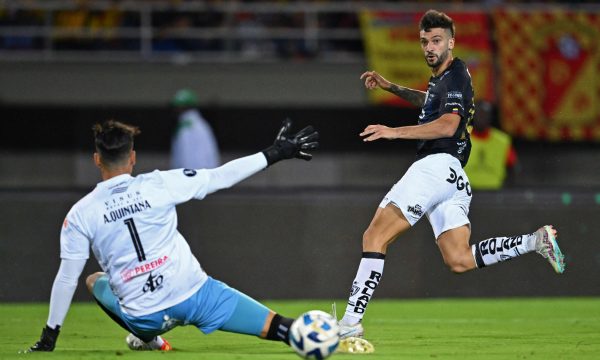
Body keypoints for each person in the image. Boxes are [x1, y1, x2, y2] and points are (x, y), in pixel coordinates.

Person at [337, 9, 565, 346]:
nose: (429, 47)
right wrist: (390, 86)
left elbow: (447, 124)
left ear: (452, 42)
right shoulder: (445, 79)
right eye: (424, 41)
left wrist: (393, 132)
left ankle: (349, 324)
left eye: (436, 40)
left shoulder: (456, 75)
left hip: (434, 167)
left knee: (374, 238)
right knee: (459, 259)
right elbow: (431, 104)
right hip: (455, 177)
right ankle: (534, 241)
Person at [27, 118, 319, 352]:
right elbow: (221, 176)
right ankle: (311, 336)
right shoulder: (159, 183)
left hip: (145, 317)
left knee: (94, 281)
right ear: (132, 157)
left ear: (96, 159)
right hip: (196, 295)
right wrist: (276, 153)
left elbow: (67, 278)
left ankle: (149, 340)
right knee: (282, 327)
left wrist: (49, 336)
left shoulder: (81, 213)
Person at [464, 100, 518, 190]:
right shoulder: (459, 138)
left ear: (491, 117)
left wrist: (507, 191)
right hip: (465, 193)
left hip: (495, 194)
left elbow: (512, 168)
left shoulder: (502, 140)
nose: (482, 118)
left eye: (485, 114)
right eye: (479, 114)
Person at [170, 88, 220, 169]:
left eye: (179, 107)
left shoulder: (191, 126)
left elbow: (188, 156)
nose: (176, 109)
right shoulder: (195, 124)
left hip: (193, 174)